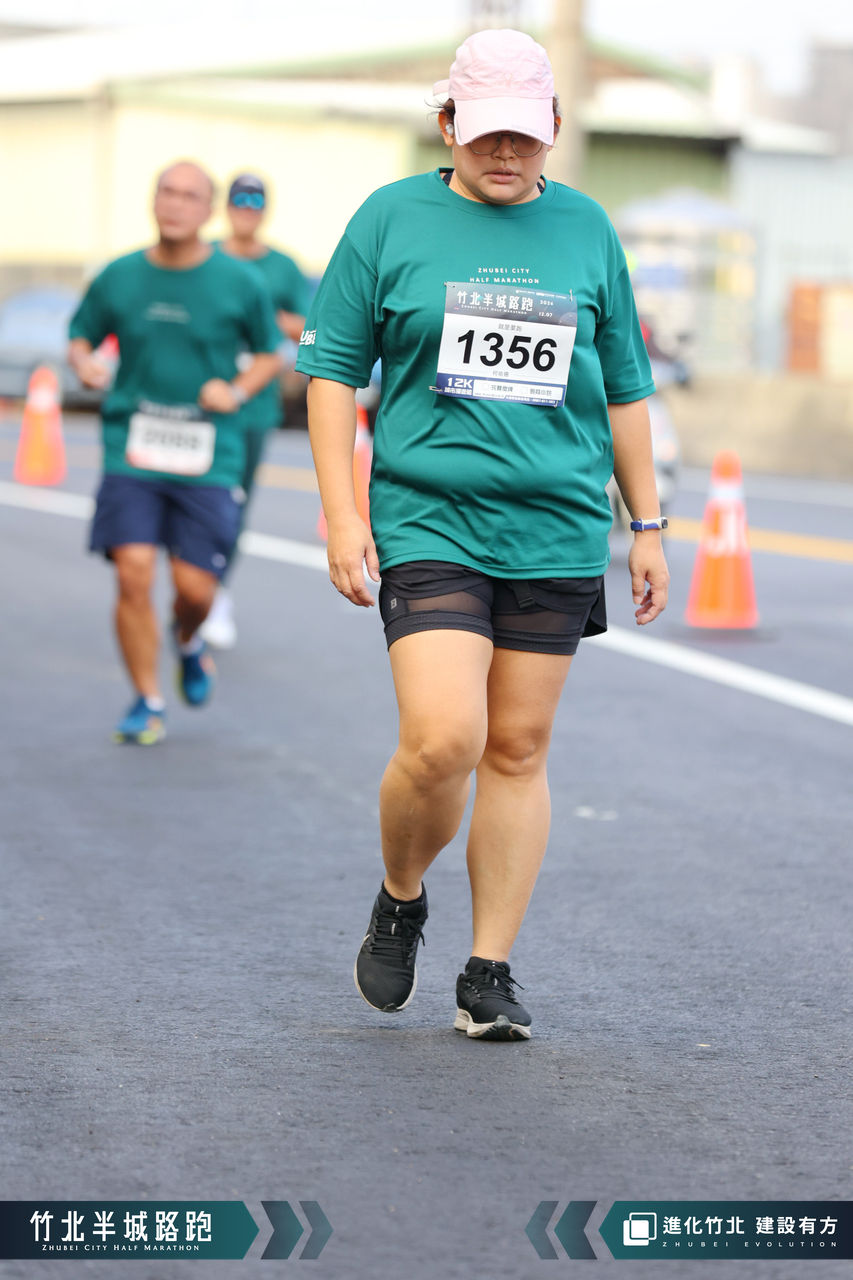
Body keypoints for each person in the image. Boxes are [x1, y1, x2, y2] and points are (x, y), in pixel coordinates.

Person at [297, 29, 669, 1041]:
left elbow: (625, 387)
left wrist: (646, 524)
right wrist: (342, 511)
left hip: (555, 526)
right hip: (428, 517)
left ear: (553, 127)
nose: (505, 151)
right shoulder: (389, 219)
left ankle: (488, 969)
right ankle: (400, 892)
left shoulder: (587, 228)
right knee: (444, 737)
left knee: (515, 746)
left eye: (525, 134)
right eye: (485, 131)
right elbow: (331, 373)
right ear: (447, 124)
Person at [68, 160, 282, 744]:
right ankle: (147, 699)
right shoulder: (119, 275)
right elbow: (81, 333)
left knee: (195, 591)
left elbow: (271, 353)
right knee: (133, 573)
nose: (175, 204)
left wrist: (235, 391)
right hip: (132, 447)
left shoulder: (240, 282)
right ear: (153, 200)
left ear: (208, 210)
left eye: (190, 196)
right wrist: (84, 361)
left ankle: (187, 640)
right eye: (167, 192)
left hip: (207, 454)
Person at [201, 173, 311, 649]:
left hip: (253, 405)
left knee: (233, 502)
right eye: (239, 201)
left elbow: (310, 327)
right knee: (189, 497)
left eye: (255, 202)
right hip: (201, 398)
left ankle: (214, 592)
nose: (246, 210)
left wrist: (267, 319)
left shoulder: (282, 268)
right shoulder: (205, 255)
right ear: (225, 207)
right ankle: (192, 585)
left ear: (265, 210)